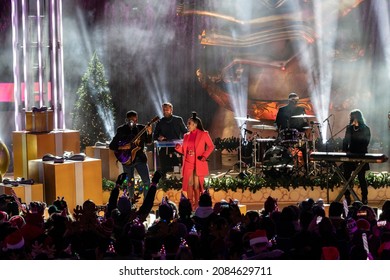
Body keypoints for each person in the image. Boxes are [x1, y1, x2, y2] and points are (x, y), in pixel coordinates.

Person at [109, 110, 153, 198]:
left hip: (140, 159)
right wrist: (122, 147)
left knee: (147, 182)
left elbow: (149, 142)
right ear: (126, 120)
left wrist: (150, 132)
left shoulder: (142, 128)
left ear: (137, 119)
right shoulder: (121, 130)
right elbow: (112, 145)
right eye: (130, 120)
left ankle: (146, 203)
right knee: (130, 182)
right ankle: (131, 202)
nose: (132, 122)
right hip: (127, 160)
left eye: (134, 119)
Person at [174, 112, 215, 208]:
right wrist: (178, 148)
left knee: (197, 185)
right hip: (188, 163)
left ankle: (197, 204)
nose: (187, 125)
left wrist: (204, 156)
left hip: (198, 163)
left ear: (195, 124)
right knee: (189, 184)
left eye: (189, 123)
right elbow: (184, 150)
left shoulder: (204, 134)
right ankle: (190, 205)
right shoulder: (186, 136)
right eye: (188, 123)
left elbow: (211, 146)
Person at [342, 109, 371, 205]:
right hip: (350, 155)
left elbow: (366, 142)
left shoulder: (365, 128)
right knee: (346, 176)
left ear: (357, 117)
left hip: (361, 154)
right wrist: (344, 152)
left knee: (361, 177)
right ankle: (347, 196)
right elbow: (345, 141)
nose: (351, 119)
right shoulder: (349, 128)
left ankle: (364, 198)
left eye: (352, 116)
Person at [153, 102, 188, 174]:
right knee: (162, 159)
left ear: (171, 110)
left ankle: (181, 175)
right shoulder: (160, 122)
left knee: (180, 160)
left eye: (167, 110)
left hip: (177, 146)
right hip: (164, 147)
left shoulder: (178, 120)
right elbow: (154, 136)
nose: (165, 111)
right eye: (163, 110)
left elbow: (185, 132)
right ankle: (163, 176)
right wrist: (159, 137)